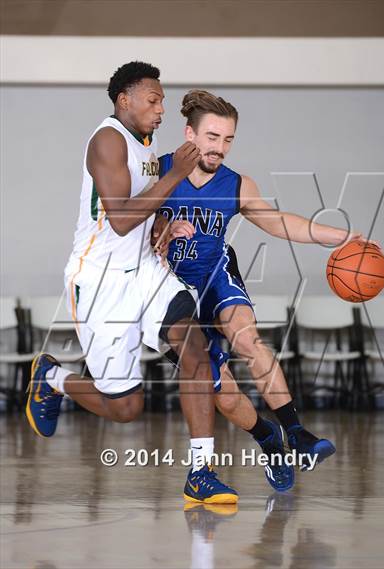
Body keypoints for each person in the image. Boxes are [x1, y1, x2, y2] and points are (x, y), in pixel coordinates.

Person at [25, 63, 238, 505]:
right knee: (125, 407)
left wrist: (164, 222)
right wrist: (176, 176)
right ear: (125, 99)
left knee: (193, 346)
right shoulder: (107, 139)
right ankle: (52, 378)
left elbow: (142, 207)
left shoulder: (147, 140)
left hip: (145, 270)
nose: (160, 108)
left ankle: (202, 473)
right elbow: (120, 218)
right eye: (153, 100)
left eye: (161, 101)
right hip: (100, 282)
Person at [156, 89, 373, 487]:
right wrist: (162, 230)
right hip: (169, 291)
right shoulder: (157, 171)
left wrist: (338, 236)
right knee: (223, 393)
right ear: (189, 133)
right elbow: (126, 226)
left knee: (247, 339)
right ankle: (268, 438)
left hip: (215, 275)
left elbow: (277, 222)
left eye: (227, 139)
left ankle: (297, 434)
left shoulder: (236, 184)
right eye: (211, 137)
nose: (219, 148)